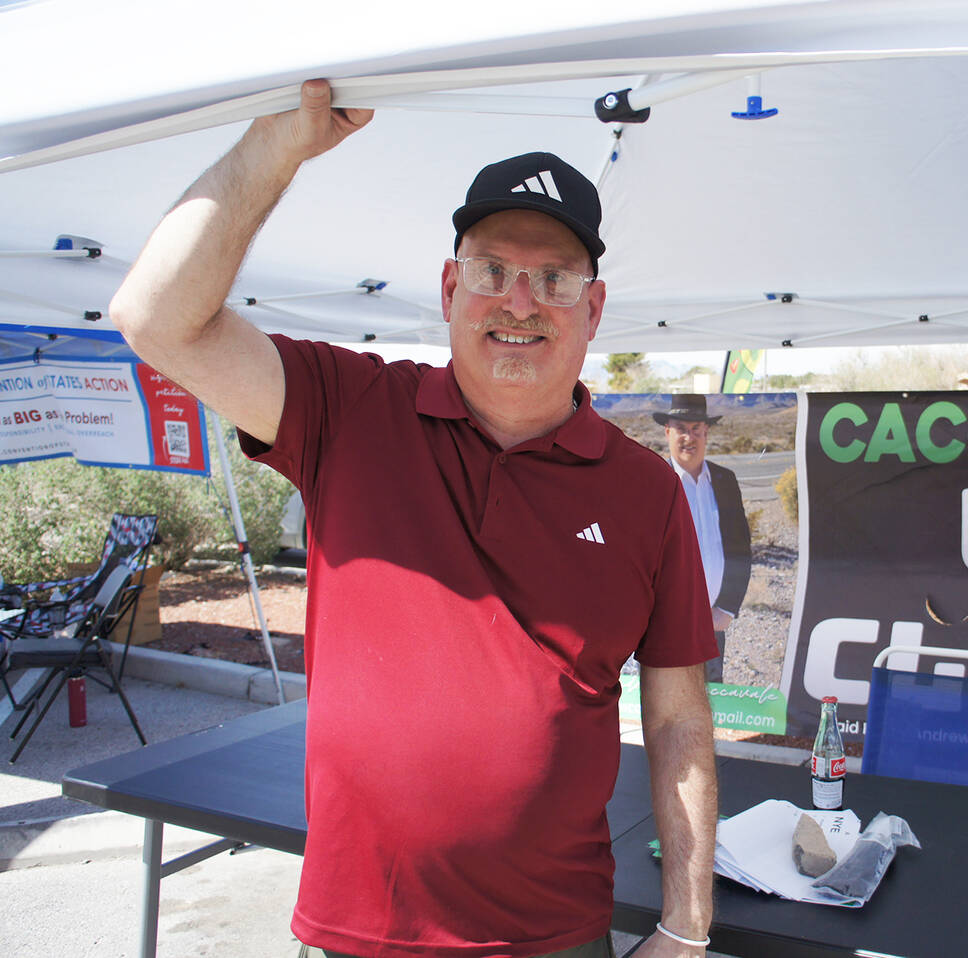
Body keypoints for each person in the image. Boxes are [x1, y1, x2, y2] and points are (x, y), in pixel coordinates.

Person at [110, 80, 718, 958]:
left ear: (592, 308)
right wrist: (275, 148)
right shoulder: (349, 410)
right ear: (447, 288)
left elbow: (678, 719)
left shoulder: (645, 490)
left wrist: (686, 928)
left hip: (556, 938)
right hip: (364, 935)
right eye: (492, 271)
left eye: (553, 278)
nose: (519, 302)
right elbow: (155, 318)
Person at [654, 395, 752, 683]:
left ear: (707, 433)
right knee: (665, 705)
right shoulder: (652, 479)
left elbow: (740, 548)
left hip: (712, 625)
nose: (689, 437)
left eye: (696, 428)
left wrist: (727, 608)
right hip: (665, 625)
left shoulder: (725, 480)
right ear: (667, 431)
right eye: (681, 428)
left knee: (709, 702)